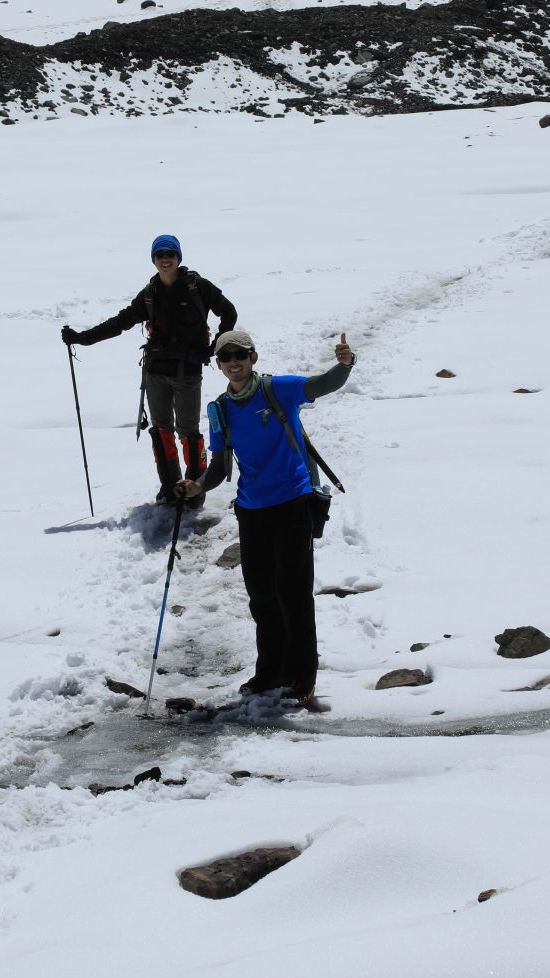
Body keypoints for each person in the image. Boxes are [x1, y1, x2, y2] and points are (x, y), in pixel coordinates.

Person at [176, 329, 356, 705]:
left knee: (294, 594)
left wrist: (344, 364)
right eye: (226, 358)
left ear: (253, 357)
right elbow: (221, 466)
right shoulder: (220, 410)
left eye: (240, 355)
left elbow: (323, 384)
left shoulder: (278, 389)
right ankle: (270, 672)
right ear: (219, 364)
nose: (234, 363)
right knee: (262, 597)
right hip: (251, 510)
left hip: (292, 502)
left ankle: (301, 678)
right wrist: (197, 487)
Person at [62, 235, 238, 506]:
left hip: (187, 371)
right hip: (155, 371)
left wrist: (214, 348)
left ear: (178, 257)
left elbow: (229, 313)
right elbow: (121, 321)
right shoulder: (149, 294)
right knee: (162, 428)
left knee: (188, 430)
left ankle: (193, 488)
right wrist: (82, 338)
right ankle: (169, 486)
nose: (165, 259)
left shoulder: (197, 287)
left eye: (170, 254)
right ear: (154, 260)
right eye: (160, 255)